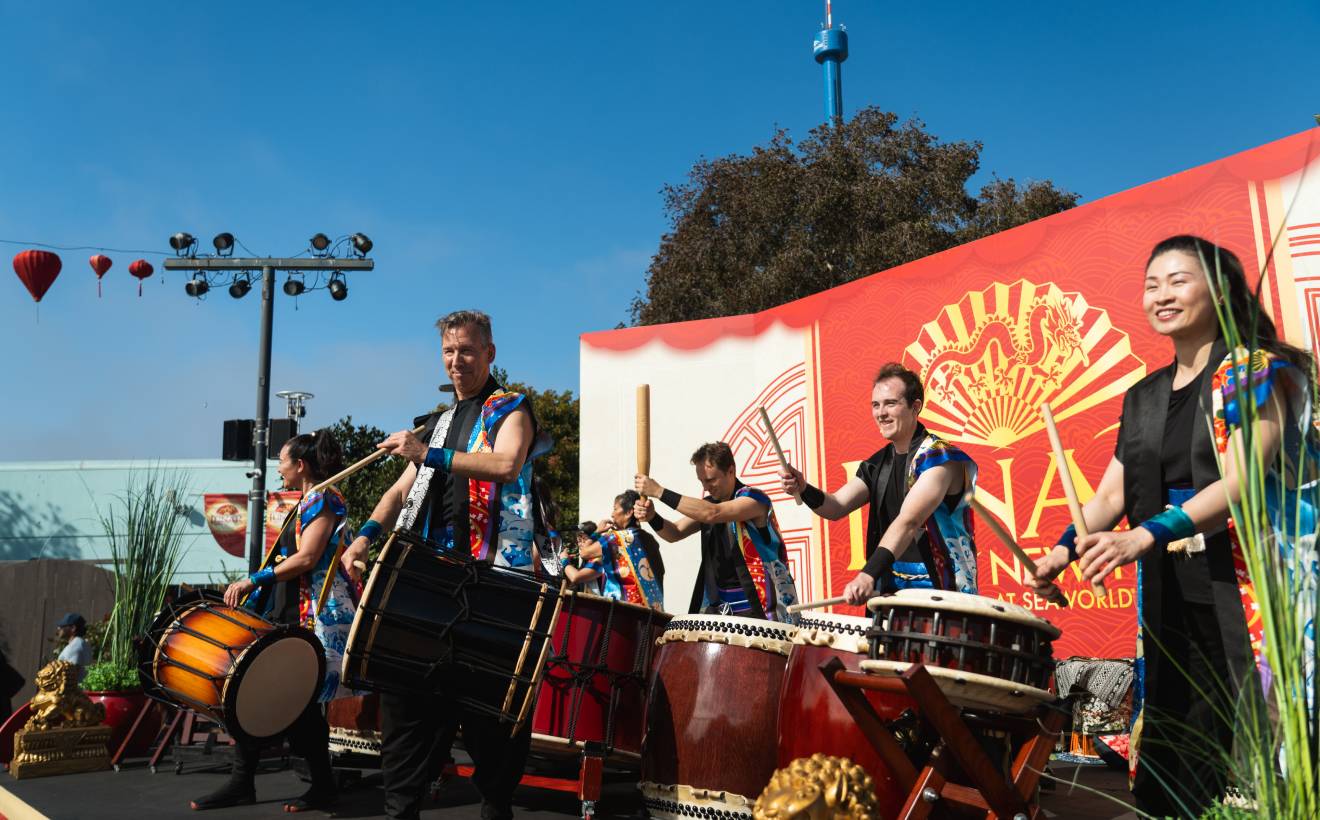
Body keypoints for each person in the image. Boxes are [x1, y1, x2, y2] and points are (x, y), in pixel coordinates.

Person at [1025, 235, 1317, 819]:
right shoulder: (1144, 396)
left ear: (1221, 289)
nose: (1162, 295)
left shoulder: (1259, 369)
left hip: (1256, 581)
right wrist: (1062, 549)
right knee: (1175, 727)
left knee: (1265, 728)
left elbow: (1243, 479)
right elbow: (1112, 492)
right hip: (1173, 593)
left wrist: (1145, 533)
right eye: (1152, 284)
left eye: (1178, 281)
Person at [339, 310, 553, 820]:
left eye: (468, 351)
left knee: (491, 717)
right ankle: (401, 810)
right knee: (405, 703)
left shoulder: (510, 408)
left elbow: (506, 465)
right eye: (449, 352)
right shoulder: (434, 424)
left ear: (490, 353)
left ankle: (495, 806)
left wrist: (426, 453)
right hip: (428, 581)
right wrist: (365, 537)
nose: (457, 361)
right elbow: (400, 491)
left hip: (493, 582)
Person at [193, 429, 358, 812]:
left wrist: (254, 579)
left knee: (294, 697)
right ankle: (250, 782)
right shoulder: (308, 499)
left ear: (300, 466)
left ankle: (317, 785)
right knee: (264, 688)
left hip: (313, 609)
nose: (278, 468)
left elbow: (307, 558)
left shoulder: (322, 498)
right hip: (291, 607)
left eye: (281, 460)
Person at [779, 362, 985, 606]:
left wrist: (867, 575)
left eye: (891, 403)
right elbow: (836, 506)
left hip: (944, 591)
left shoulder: (940, 458)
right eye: (876, 405)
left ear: (915, 407)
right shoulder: (878, 464)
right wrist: (804, 488)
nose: (881, 413)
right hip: (893, 590)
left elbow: (909, 521)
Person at [634, 441, 799, 621]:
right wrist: (652, 517)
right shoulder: (710, 504)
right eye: (702, 481)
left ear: (731, 471)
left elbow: (712, 514)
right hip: (721, 609)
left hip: (760, 609)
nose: (705, 486)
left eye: (711, 479)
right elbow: (675, 532)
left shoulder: (754, 499)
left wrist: (658, 491)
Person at [560, 490, 664, 610]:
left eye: (615, 509)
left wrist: (596, 532)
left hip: (626, 611)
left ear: (629, 512)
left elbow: (584, 553)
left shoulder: (616, 537)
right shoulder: (650, 539)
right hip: (654, 610)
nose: (612, 514)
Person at [54, 613, 93, 683]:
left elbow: (71, 675)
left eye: (63, 626)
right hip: (80, 692)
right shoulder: (83, 644)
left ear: (73, 628)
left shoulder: (74, 646)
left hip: (72, 693)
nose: (59, 628)